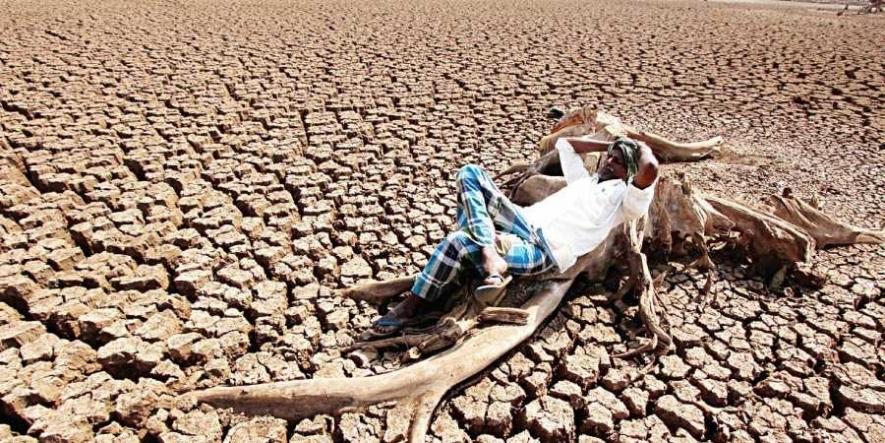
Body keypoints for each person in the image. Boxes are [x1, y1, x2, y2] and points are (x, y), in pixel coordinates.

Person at [367, 135, 659, 337]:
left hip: (544, 249)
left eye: (619, 162)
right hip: (523, 222)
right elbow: (565, 144)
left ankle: (412, 305)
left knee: (458, 242)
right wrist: (612, 143)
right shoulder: (583, 182)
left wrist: (641, 145)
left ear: (629, 172)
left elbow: (650, 168)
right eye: (610, 158)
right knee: (470, 173)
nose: (609, 162)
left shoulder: (624, 202)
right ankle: (489, 251)